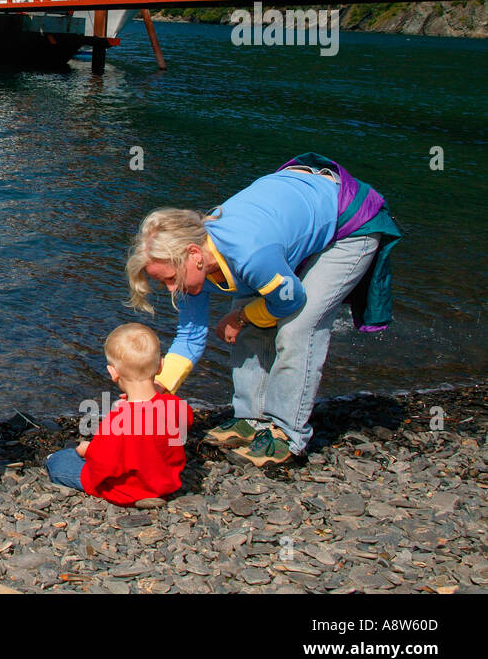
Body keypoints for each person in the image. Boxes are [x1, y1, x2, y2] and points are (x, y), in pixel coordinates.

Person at [126, 153, 401, 467]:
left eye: (172, 279)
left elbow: (291, 300)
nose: (172, 290)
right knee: (248, 316)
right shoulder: (195, 262)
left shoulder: (250, 254)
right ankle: (251, 419)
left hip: (349, 222)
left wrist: (241, 316)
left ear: (193, 254)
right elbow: (189, 337)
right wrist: (156, 388)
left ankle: (287, 434)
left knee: (299, 325)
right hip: (293, 208)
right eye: (163, 283)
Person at [45, 324, 192, 507]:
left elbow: (102, 464)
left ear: (113, 372)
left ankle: (140, 497)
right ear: (161, 365)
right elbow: (179, 425)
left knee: (59, 461)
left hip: (126, 490)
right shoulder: (177, 406)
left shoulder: (118, 422)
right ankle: (152, 494)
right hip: (165, 483)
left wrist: (87, 450)